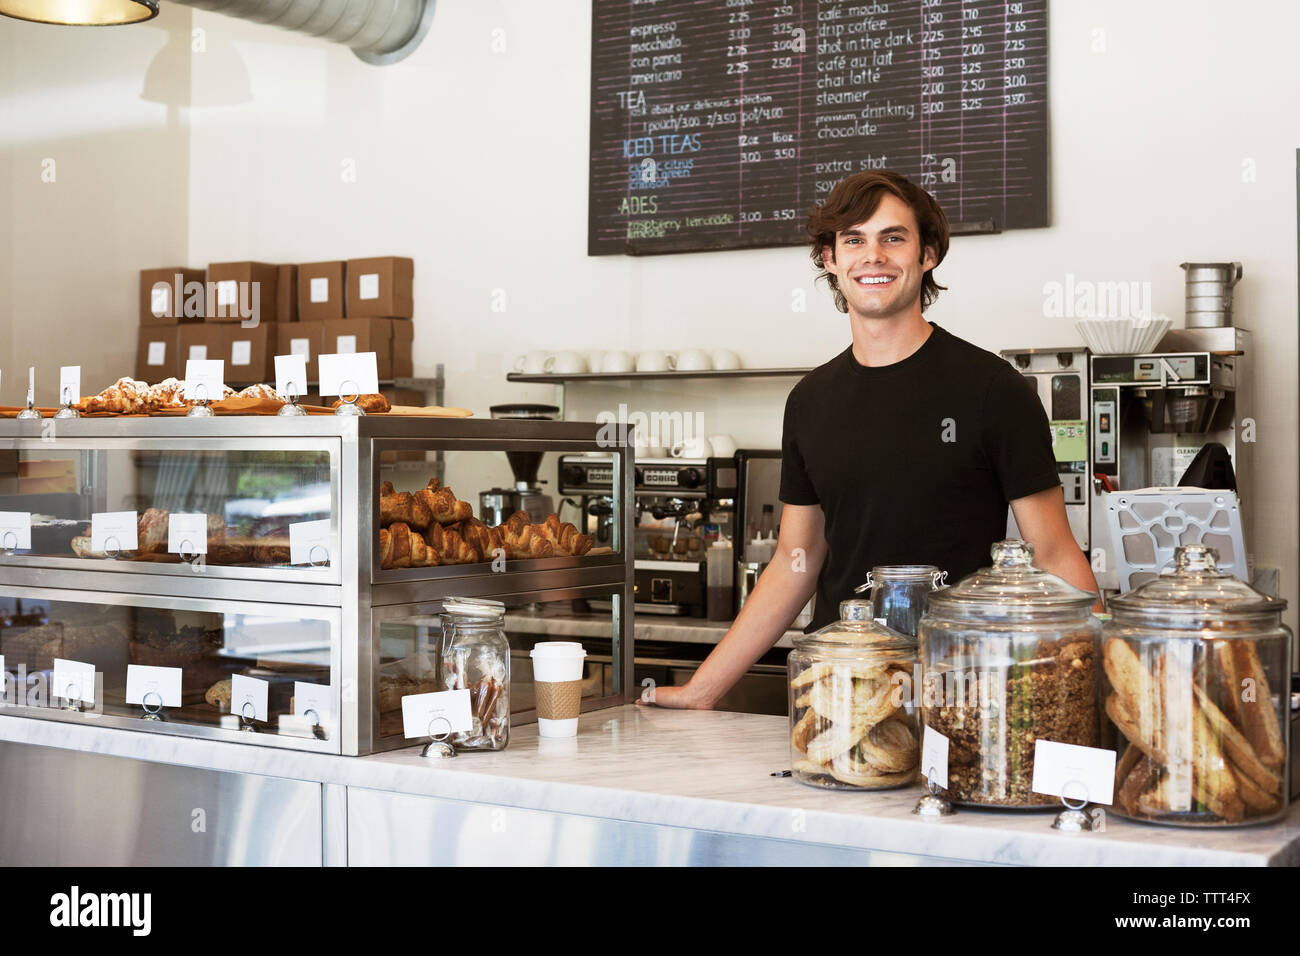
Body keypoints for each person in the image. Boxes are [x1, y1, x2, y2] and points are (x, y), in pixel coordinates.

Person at [645, 170, 1099, 710]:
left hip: (957, 689)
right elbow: (796, 557)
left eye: (893, 237)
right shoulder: (810, 401)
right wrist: (704, 689)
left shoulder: (992, 390)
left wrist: (1095, 695)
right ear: (830, 260)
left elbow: (1051, 555)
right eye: (854, 240)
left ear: (927, 254)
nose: (873, 256)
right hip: (838, 685)